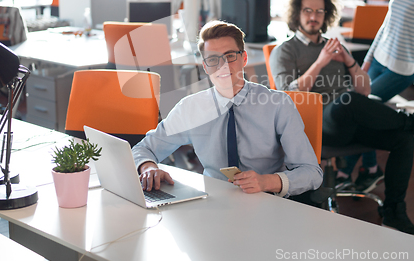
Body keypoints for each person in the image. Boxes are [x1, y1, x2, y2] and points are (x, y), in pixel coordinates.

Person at [269, 0, 414, 235]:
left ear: (327, 14)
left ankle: (394, 212)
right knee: (347, 100)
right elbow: (288, 93)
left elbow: (365, 90)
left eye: (319, 11)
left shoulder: (334, 47)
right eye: (308, 11)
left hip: (348, 120)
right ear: (296, 13)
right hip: (311, 128)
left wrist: (349, 62)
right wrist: (320, 62)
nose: (314, 16)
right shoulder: (285, 51)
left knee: (402, 138)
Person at [132, 20, 323, 200]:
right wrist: (148, 167)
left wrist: (267, 182)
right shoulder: (191, 108)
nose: (222, 65)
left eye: (230, 56)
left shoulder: (278, 104)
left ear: (244, 58)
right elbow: (144, 148)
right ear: (205, 67)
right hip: (212, 201)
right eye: (213, 60)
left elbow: (311, 172)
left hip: (265, 199)